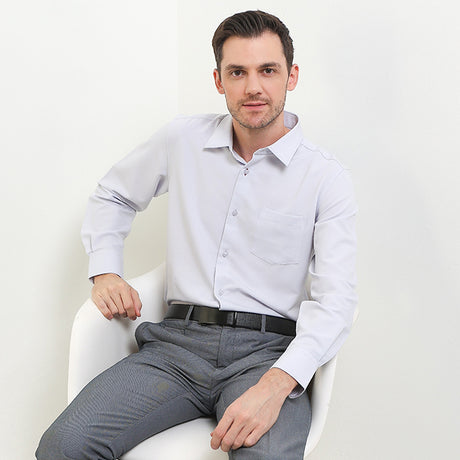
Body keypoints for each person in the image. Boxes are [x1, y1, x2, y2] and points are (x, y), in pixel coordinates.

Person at [36, 10, 357, 460]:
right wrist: (105, 270)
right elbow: (114, 194)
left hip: (267, 355)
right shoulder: (182, 140)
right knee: (64, 447)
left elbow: (335, 302)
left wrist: (277, 384)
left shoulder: (325, 178)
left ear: (292, 76)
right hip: (175, 349)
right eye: (237, 72)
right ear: (218, 80)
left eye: (268, 70)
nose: (253, 87)